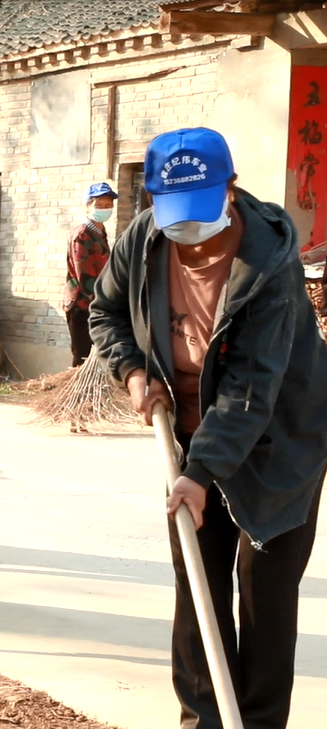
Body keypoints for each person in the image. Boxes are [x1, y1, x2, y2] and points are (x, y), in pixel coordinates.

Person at [90, 127, 327, 729]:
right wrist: (133, 370)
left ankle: (260, 723)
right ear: (152, 198)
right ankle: (203, 719)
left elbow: (253, 388)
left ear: (231, 189)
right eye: (174, 212)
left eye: (200, 211)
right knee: (197, 587)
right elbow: (106, 310)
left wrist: (201, 475)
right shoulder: (143, 240)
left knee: (265, 593)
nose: (187, 228)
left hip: (280, 442)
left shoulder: (269, 262)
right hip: (191, 434)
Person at [65, 182, 117, 368]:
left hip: (97, 302)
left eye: (108, 205)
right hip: (83, 303)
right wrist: (100, 302)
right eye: (99, 205)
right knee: (82, 357)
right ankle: (77, 395)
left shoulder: (100, 232)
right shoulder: (82, 234)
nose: (104, 209)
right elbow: (85, 276)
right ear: (88, 206)